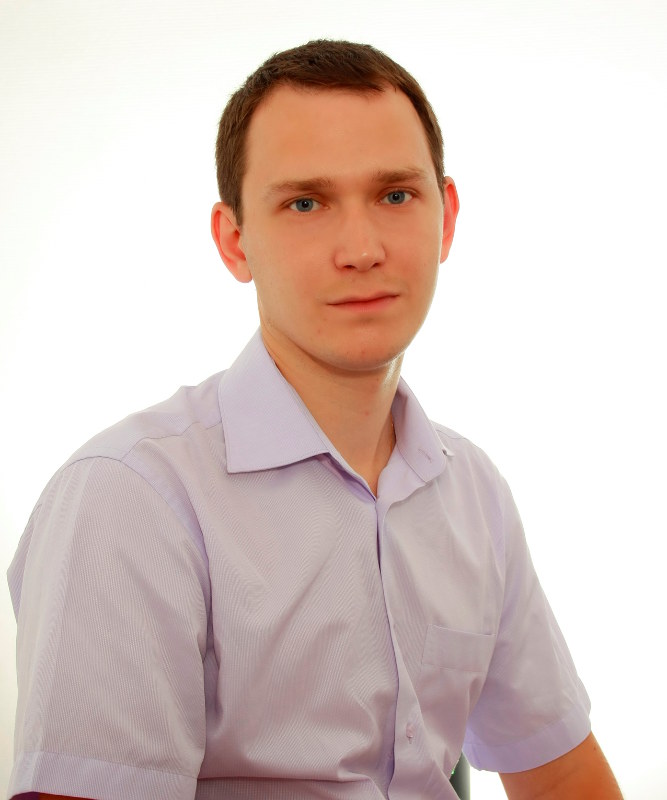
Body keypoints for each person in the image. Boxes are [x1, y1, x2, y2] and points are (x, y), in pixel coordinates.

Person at [7, 40, 622, 800]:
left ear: (446, 219)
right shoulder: (131, 498)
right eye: (305, 203)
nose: (361, 249)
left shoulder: (474, 493)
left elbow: (563, 780)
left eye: (395, 195)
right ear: (234, 241)